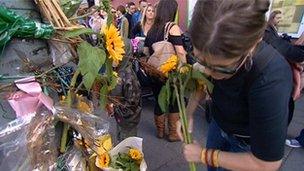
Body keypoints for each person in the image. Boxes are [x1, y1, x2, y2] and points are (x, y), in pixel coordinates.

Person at [180, 0, 293, 170]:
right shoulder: (212, 56)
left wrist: (204, 155)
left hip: (246, 144)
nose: (207, 72)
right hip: (219, 123)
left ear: (254, 43)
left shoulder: (271, 78)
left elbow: (267, 163)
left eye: (221, 69)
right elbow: (203, 78)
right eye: (200, 59)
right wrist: (188, 113)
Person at [144, 0, 187, 142]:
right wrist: (184, 68)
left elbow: (146, 53)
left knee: (159, 100)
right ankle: (173, 133)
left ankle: (160, 131)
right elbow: (180, 52)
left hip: (154, 72)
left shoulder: (151, 29)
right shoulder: (172, 27)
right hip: (170, 72)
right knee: (174, 101)